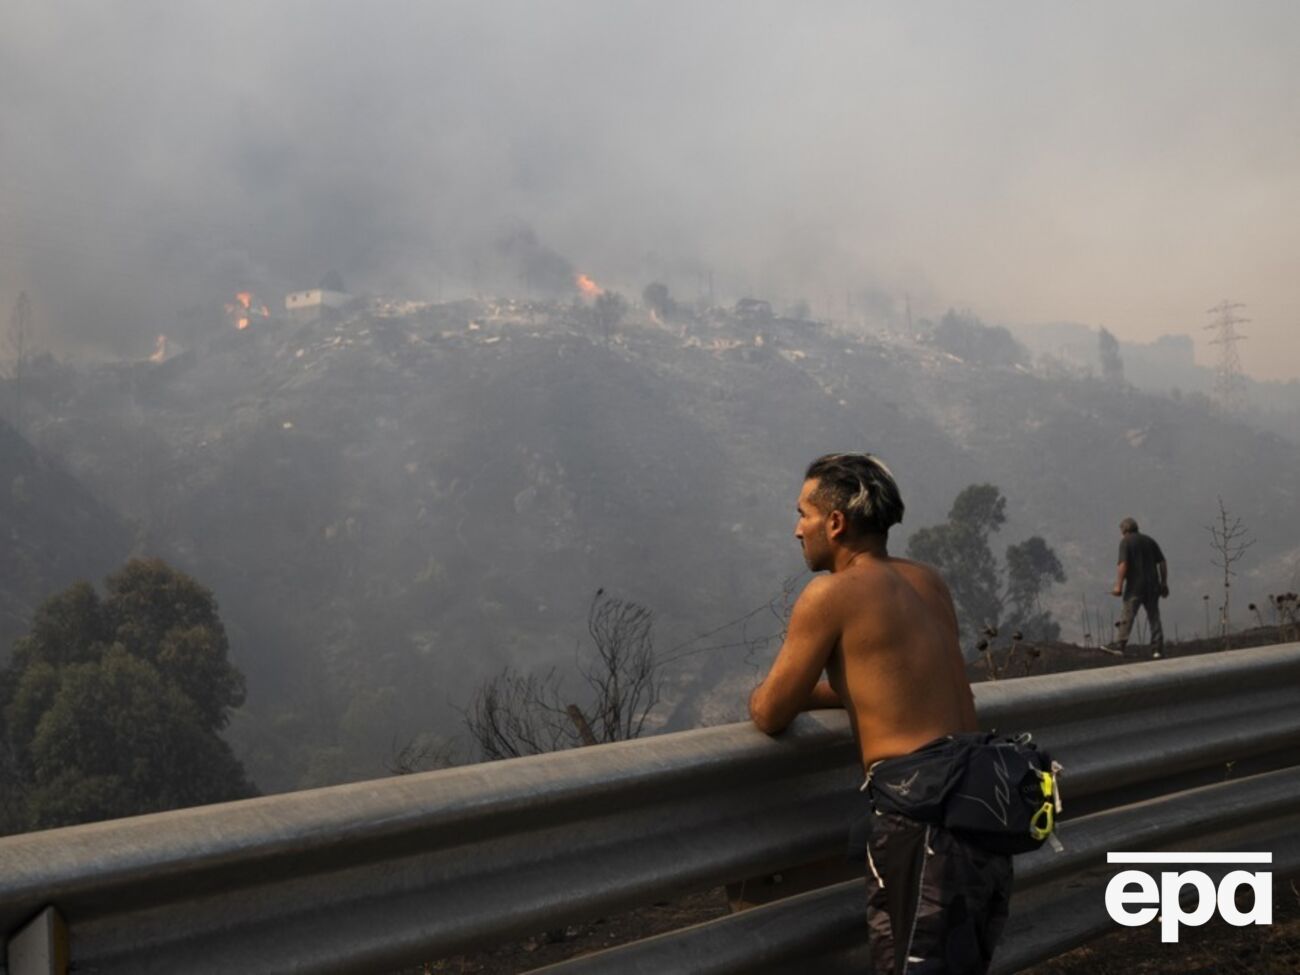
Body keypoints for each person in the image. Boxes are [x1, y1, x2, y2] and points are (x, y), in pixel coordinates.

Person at [749, 453, 1011, 975]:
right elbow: (893, 683)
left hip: (923, 816)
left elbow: (771, 711)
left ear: (836, 523)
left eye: (802, 514)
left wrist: (767, 695)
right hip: (981, 799)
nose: (796, 530)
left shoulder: (829, 595)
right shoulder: (927, 581)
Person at [1108, 517, 1168, 658]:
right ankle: (1157, 649)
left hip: (1135, 586)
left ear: (1124, 530)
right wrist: (1163, 583)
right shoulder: (1149, 540)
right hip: (1153, 585)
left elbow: (1123, 564)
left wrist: (1118, 586)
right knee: (1154, 617)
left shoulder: (1125, 542)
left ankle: (1120, 646)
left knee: (1128, 614)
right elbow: (1162, 562)